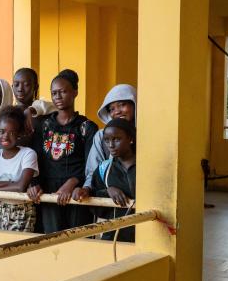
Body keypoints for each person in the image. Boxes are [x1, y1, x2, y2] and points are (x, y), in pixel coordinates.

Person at [27, 69, 98, 233]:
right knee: (51, 241)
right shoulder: (44, 126)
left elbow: (91, 164)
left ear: (75, 92)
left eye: (63, 91)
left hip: (76, 193)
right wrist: (34, 184)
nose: (58, 96)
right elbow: (35, 158)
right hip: (48, 192)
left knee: (77, 241)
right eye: (54, 93)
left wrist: (73, 182)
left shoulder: (86, 127)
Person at [74, 84, 137, 201]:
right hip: (111, 205)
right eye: (112, 109)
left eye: (122, 105)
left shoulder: (148, 135)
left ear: (135, 104)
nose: (117, 111)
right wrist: (87, 189)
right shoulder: (101, 136)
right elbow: (94, 172)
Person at [89, 118, 136, 242]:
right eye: (107, 140)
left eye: (117, 139)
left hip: (144, 235)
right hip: (113, 237)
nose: (111, 145)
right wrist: (107, 191)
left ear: (130, 139)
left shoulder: (145, 166)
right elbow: (94, 203)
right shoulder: (104, 168)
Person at [12, 68, 56, 134]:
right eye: (16, 85)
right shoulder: (8, 114)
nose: (20, 89)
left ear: (36, 87)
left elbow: (56, 107)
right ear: (12, 86)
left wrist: (32, 109)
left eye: (26, 85)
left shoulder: (43, 113)